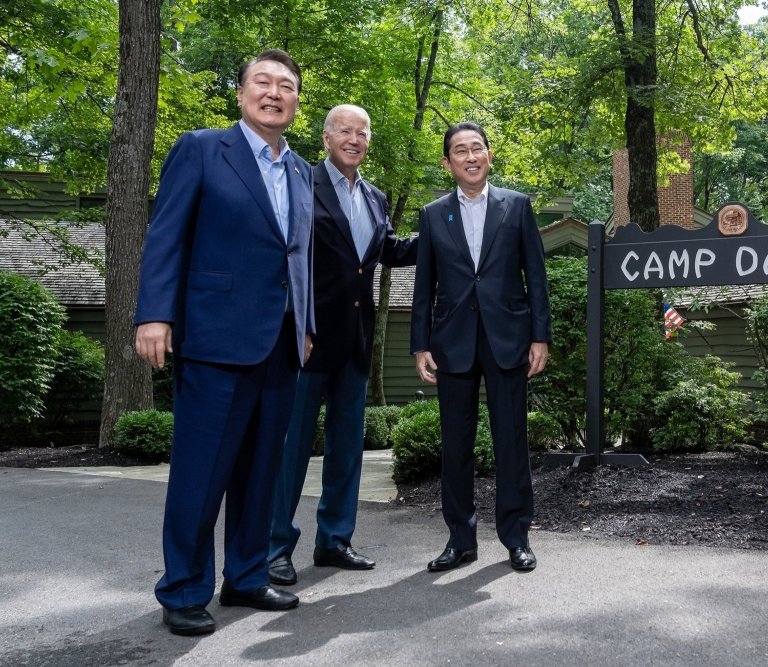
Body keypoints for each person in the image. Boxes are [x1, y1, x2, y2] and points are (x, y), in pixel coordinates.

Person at [134, 49, 314, 636]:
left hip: (281, 345)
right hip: (213, 341)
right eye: (262, 82)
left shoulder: (301, 171)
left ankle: (246, 575)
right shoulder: (203, 149)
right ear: (240, 94)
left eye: (286, 86)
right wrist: (155, 314)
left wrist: (305, 324)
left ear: (295, 101)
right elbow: (166, 233)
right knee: (201, 472)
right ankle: (184, 588)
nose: (274, 92)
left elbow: (299, 259)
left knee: (262, 472)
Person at [267, 104, 417, 585]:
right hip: (306, 339)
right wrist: (297, 323)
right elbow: (285, 253)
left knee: (347, 448)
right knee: (291, 450)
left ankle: (334, 540)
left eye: (363, 133)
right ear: (327, 138)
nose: (355, 139)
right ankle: (274, 547)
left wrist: (444, 225)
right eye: (345, 131)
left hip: (355, 342)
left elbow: (388, 250)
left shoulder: (375, 196)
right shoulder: (300, 183)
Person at [410, 121, 552, 572]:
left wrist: (539, 336)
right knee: (456, 446)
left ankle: (516, 537)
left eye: (477, 148)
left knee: (511, 441)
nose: (470, 157)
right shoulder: (433, 214)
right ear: (447, 162)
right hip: (451, 344)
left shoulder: (518, 206)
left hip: (508, 339)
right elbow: (423, 286)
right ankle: (460, 540)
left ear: (490, 155)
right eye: (460, 151)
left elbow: (536, 276)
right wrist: (419, 344)